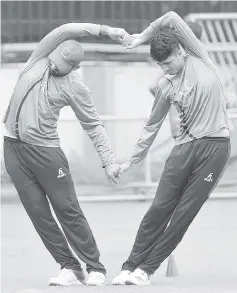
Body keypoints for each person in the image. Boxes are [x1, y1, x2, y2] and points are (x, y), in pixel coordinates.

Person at [3, 23, 128, 287]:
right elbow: (69, 28)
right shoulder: (40, 57)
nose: (55, 65)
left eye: (63, 64)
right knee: (37, 211)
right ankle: (69, 266)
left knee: (67, 209)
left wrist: (108, 161)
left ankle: (95, 267)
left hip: (46, 152)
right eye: (56, 58)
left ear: (74, 67)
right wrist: (107, 31)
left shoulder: (75, 86)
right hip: (13, 147)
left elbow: (93, 125)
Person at [113, 11, 231, 285]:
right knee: (158, 208)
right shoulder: (165, 84)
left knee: (183, 213)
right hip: (183, 148)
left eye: (168, 62)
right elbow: (151, 125)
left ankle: (146, 270)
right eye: (160, 65)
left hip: (214, 148)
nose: (165, 68)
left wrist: (141, 37)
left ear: (181, 51)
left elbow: (171, 17)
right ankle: (130, 265)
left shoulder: (200, 59)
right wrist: (133, 160)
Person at [149, 21, 203, 140]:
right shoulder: (184, 61)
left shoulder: (176, 59)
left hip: (181, 127)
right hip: (196, 128)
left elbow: (154, 87)